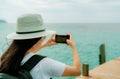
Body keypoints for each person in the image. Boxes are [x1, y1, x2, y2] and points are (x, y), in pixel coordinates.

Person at [0, 14, 81, 79]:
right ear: (41, 38)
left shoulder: (6, 59)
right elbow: (77, 71)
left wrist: (44, 45)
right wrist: (73, 46)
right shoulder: (45, 64)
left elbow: (28, 58)